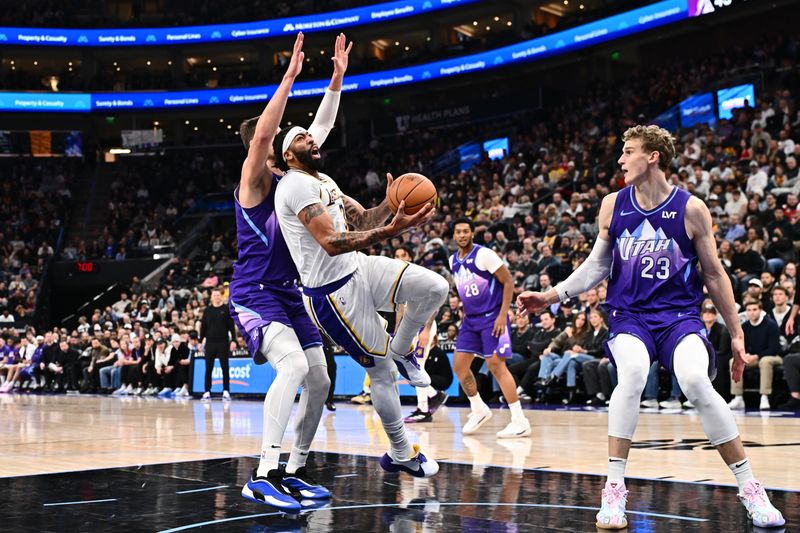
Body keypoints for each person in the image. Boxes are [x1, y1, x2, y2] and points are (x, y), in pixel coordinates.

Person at [517, 125, 784, 529]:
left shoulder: (691, 209)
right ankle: (614, 489)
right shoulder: (613, 205)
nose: (621, 160)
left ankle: (750, 488)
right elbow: (597, 265)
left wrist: (737, 333)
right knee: (634, 374)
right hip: (630, 317)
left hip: (680, 316)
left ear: (653, 156)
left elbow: (714, 274)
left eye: (628, 152)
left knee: (695, 381)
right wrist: (552, 296)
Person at [273, 50, 448, 480]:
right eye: (301, 139)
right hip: (331, 295)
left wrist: (391, 210)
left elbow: (361, 221)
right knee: (381, 372)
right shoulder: (294, 187)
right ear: (288, 156)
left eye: (310, 136)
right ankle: (402, 452)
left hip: (359, 267)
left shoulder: (321, 178)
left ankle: (406, 347)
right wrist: (391, 231)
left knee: (434, 289)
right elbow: (331, 242)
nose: (312, 139)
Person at [231, 33, 348, 509]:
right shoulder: (254, 180)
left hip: (290, 292)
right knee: (295, 367)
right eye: (280, 132)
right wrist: (290, 76)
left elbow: (318, 127)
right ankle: (262, 474)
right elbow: (262, 135)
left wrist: (337, 80)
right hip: (254, 292)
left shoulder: (295, 181)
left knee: (320, 378)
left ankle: (294, 469)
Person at [449, 218, 531, 438]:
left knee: (496, 366)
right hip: (470, 320)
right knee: (459, 366)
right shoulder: (452, 261)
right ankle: (478, 408)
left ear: (472, 233)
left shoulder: (484, 254)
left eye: (466, 231)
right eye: (458, 231)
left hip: (493, 317)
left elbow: (508, 281)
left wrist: (503, 314)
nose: (462, 235)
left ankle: (519, 420)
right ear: (454, 235)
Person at [727, 300, 782, 411]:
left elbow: (774, 348)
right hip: (754, 357)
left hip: (774, 356)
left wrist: (756, 356)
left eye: (755, 310)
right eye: (749, 310)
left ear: (760, 310)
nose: (752, 313)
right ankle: (738, 397)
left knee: (765, 361)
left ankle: (764, 396)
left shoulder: (771, 325)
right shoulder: (745, 326)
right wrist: (744, 355)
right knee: (734, 360)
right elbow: (743, 346)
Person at [200, 288, 237, 401]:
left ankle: (226, 391)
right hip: (210, 343)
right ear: (211, 297)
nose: (216, 297)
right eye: (214, 295)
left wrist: (234, 340)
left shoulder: (226, 310)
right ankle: (207, 391)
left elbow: (231, 327)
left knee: (225, 368)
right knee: (208, 368)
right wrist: (201, 340)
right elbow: (203, 327)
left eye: (218, 295)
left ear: (221, 296)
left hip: (223, 342)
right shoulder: (207, 310)